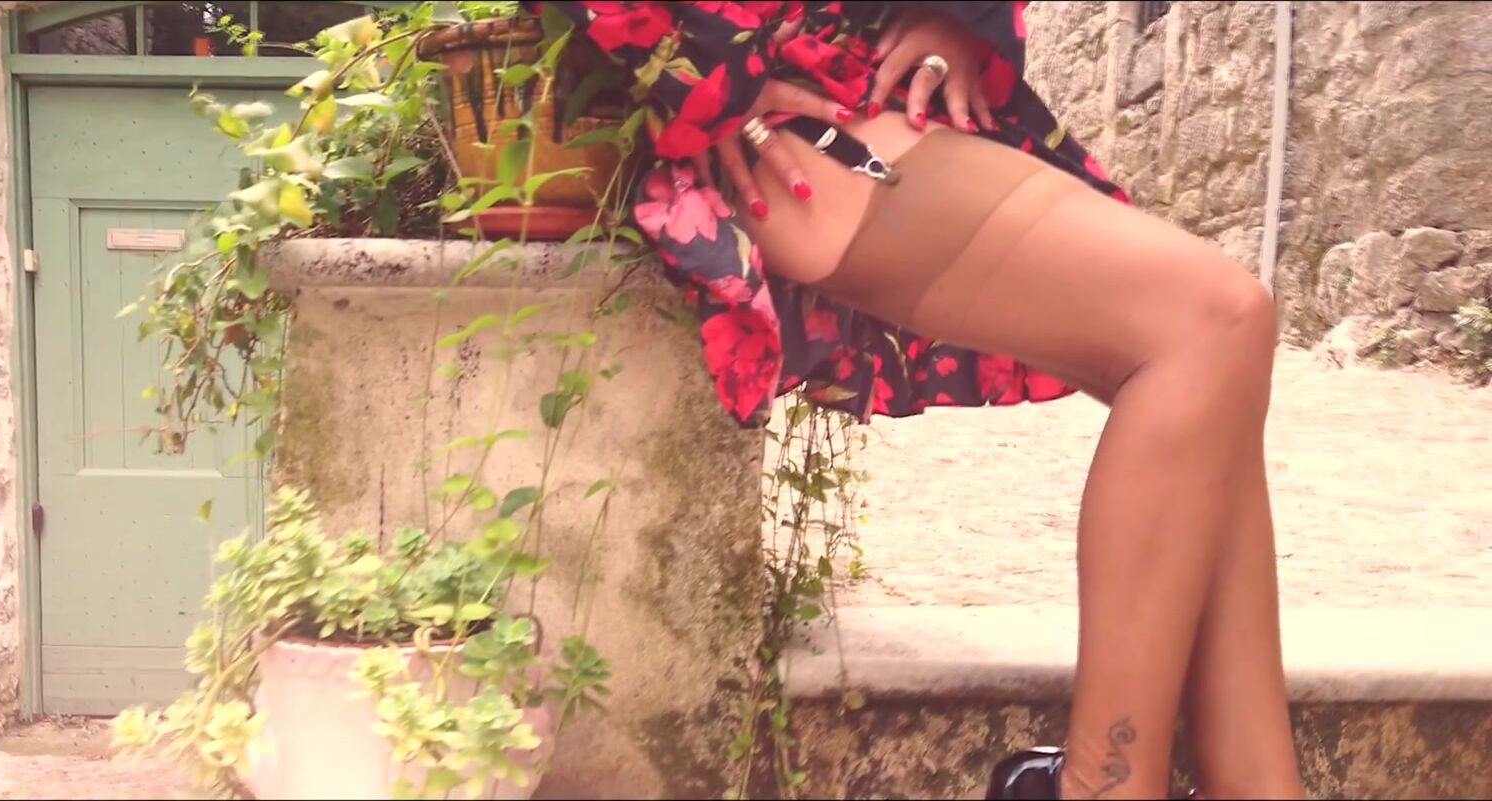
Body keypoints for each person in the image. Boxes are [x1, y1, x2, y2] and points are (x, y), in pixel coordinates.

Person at [539, 2, 1307, 799]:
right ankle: (1102, 786)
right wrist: (708, 70)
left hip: (872, 100)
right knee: (1211, 322)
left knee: (1221, 356)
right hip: (811, 133)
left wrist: (961, 22)